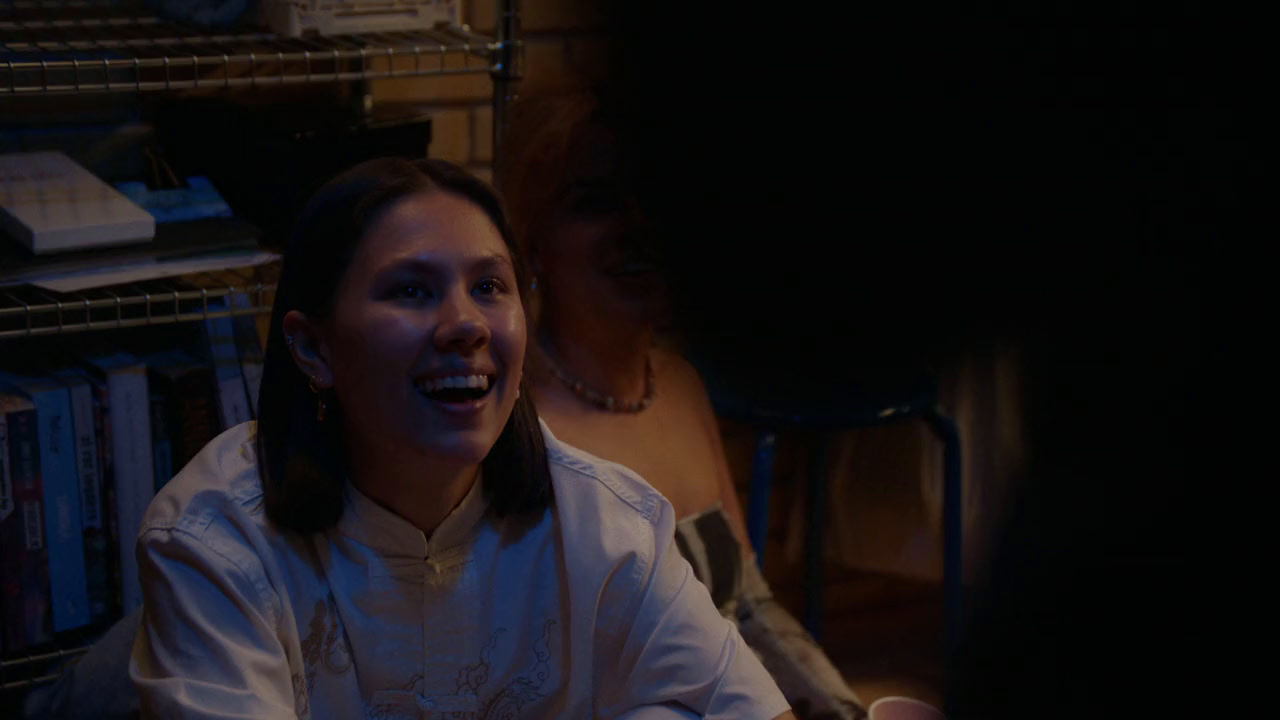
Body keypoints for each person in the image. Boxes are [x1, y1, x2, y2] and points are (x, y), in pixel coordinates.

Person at [122, 157, 796, 719]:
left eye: (489, 286)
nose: (465, 324)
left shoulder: (607, 522)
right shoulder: (215, 541)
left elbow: (750, 707)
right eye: (412, 291)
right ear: (311, 348)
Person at [501, 86, 867, 720]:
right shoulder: (516, 427)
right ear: (533, 243)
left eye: (654, 199)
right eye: (596, 203)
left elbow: (752, 608)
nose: (636, 228)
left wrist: (839, 709)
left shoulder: (680, 384)